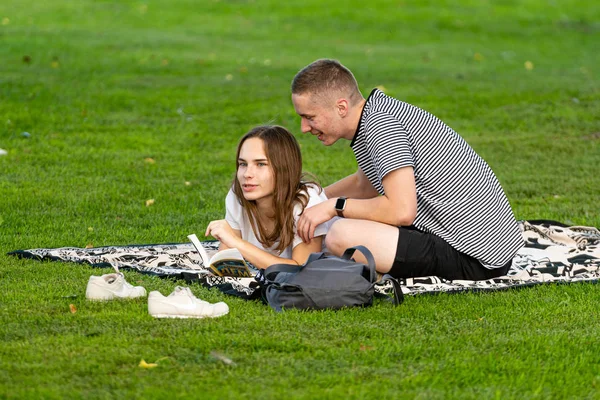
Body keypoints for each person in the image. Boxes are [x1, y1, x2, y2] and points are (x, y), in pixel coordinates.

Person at [291, 59, 524, 281]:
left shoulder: (381, 127)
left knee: (341, 235)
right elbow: (365, 185)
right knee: (340, 223)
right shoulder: (375, 115)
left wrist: (334, 206)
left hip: (476, 259)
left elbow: (401, 211)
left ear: (341, 107)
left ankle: (372, 272)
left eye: (309, 117)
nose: (303, 128)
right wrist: (307, 201)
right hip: (480, 246)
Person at [205, 125, 331, 270]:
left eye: (260, 164)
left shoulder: (306, 204)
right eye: (243, 164)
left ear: (284, 168)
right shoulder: (238, 194)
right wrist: (229, 243)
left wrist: (237, 243)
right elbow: (226, 261)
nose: (247, 174)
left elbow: (301, 270)